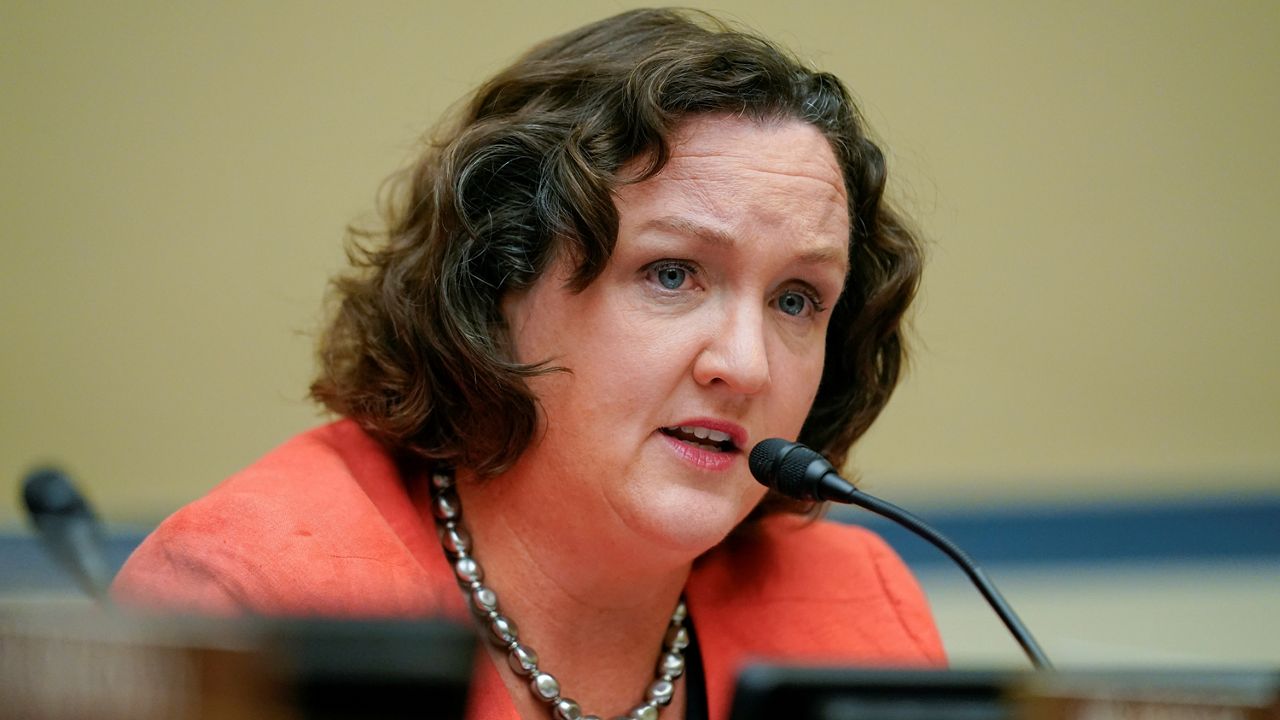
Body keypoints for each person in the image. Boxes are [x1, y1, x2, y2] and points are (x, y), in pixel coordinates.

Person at [113, 8, 944, 720]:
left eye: (797, 299)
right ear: (497, 283)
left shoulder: (857, 613)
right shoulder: (255, 599)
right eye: (670, 273)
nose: (746, 365)